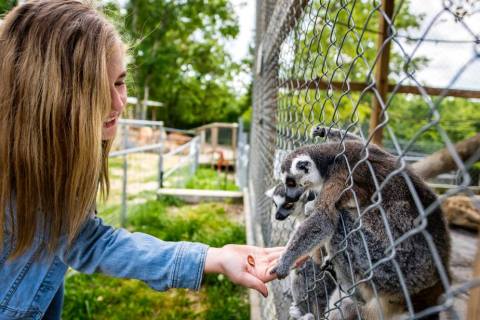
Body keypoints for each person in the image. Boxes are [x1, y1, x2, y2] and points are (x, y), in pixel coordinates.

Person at [0, 1, 283, 319]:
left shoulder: (57, 156)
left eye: (120, 82)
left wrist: (213, 257)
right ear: (48, 95)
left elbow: (85, 240)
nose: (119, 102)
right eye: (96, 89)